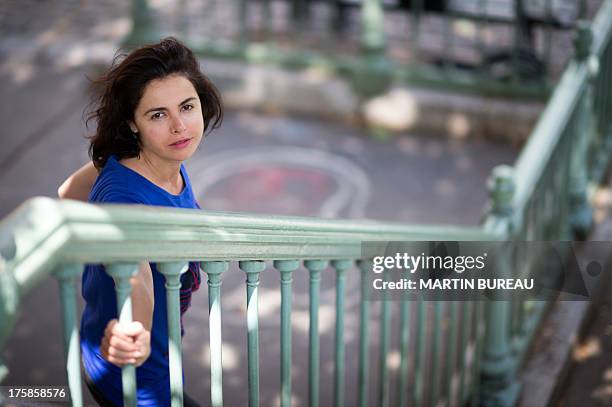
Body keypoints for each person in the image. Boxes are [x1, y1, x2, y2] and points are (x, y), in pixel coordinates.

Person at [58, 37, 223, 406]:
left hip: (147, 363)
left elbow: (67, 194)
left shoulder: (158, 161)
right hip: (137, 381)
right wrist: (133, 327)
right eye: (158, 115)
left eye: (187, 106)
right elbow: (137, 274)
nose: (180, 126)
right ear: (133, 123)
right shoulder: (127, 201)